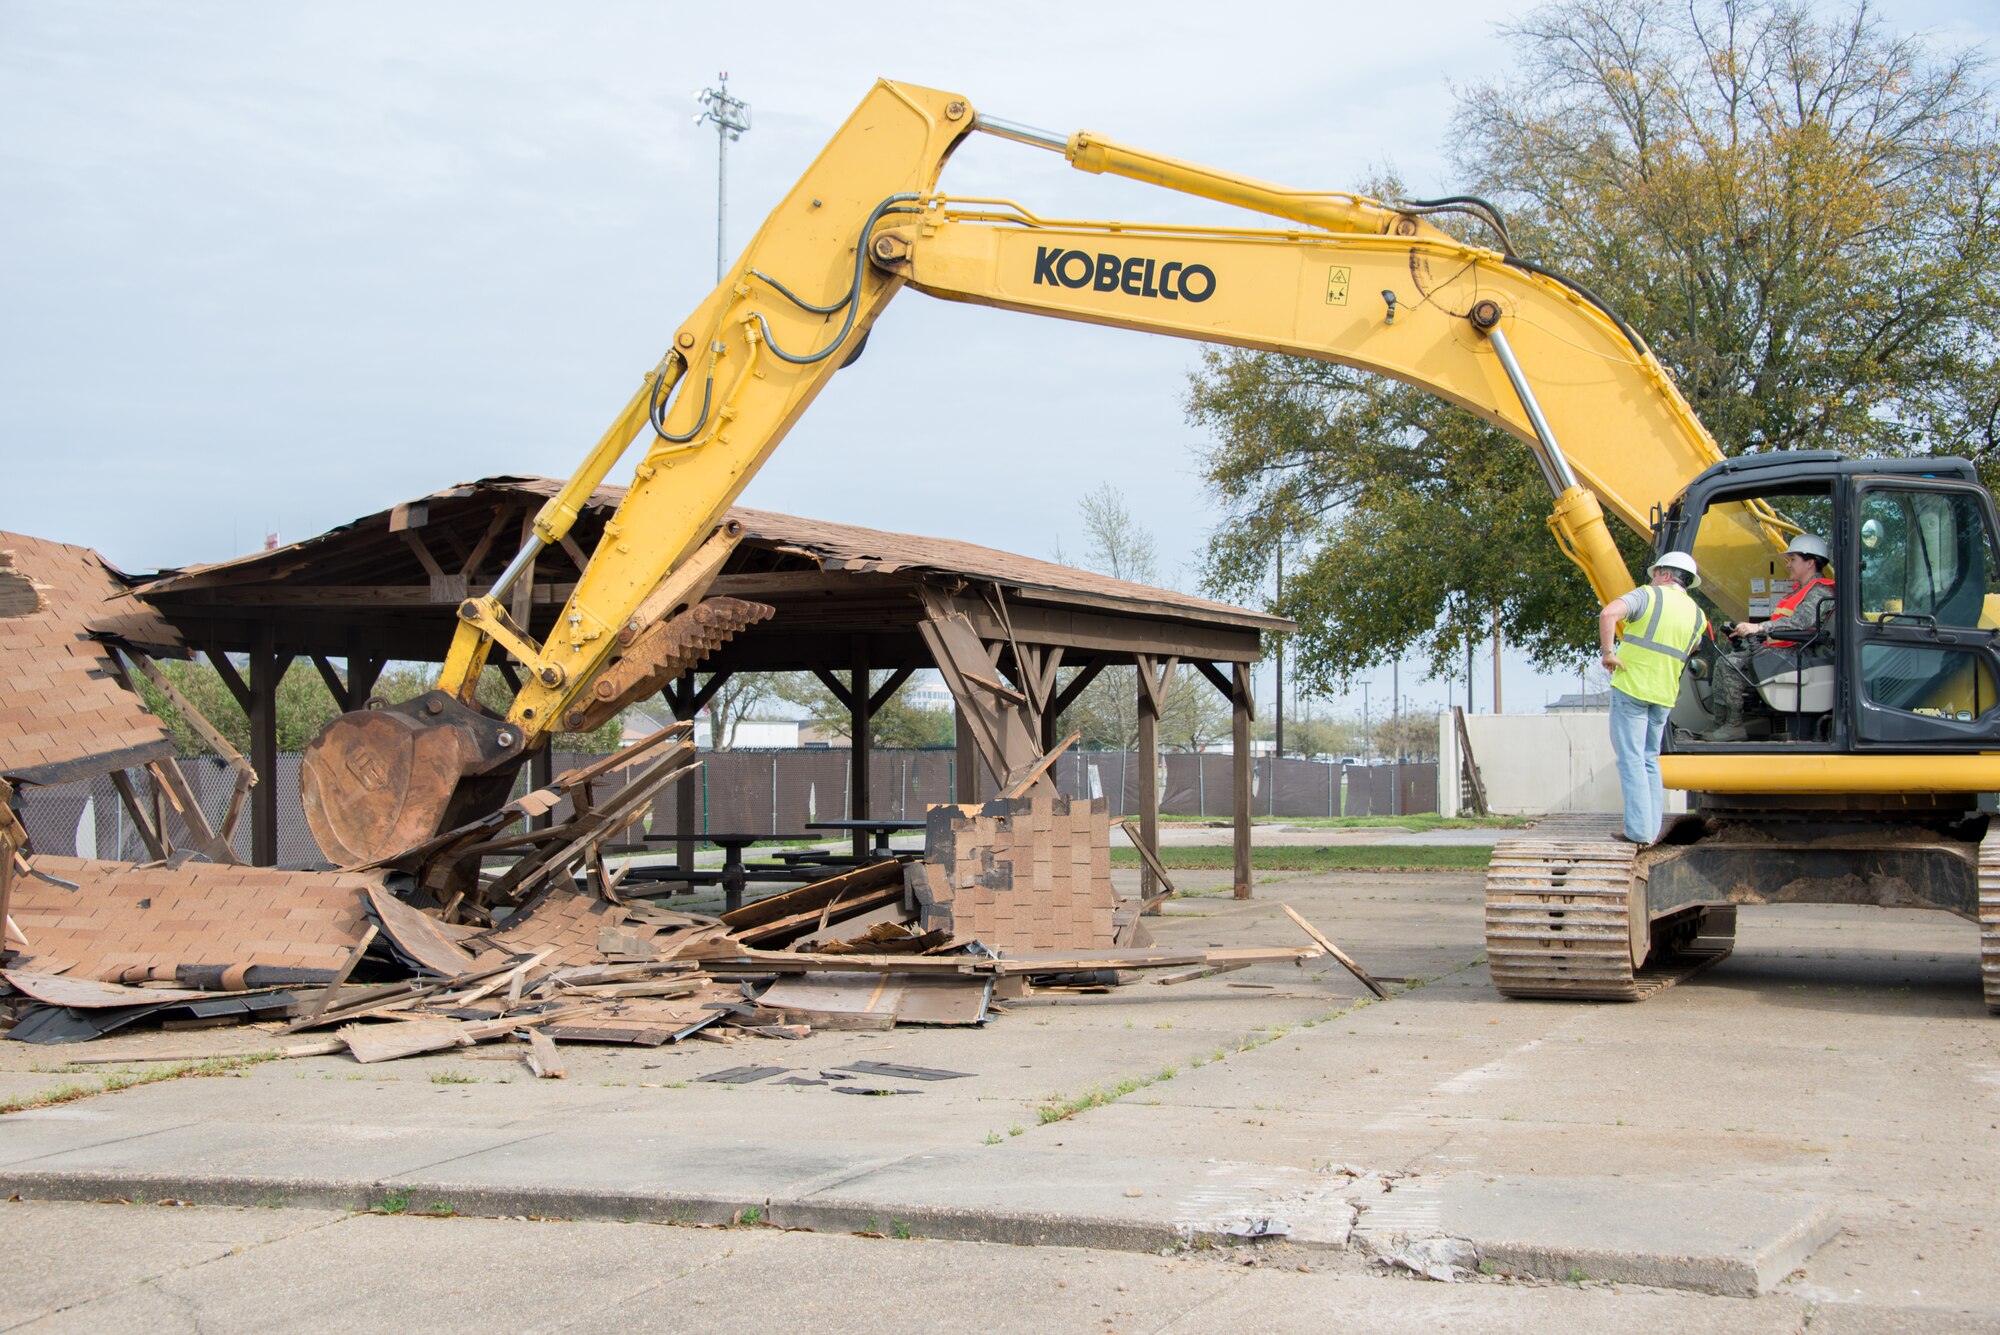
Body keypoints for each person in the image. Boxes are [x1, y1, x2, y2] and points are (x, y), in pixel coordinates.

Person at [1599, 551, 1708, 845]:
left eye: (1657, 573)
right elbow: (1694, 646)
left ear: (1667, 575)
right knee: (1649, 759)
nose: (1653, 579)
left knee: (1631, 759)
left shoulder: (1649, 596)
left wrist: (1609, 653)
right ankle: (1650, 828)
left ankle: (1638, 831)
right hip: (1664, 694)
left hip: (1633, 687)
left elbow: (1608, 613)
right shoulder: (1697, 615)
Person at [1713, 533, 1835, 741]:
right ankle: (1721, 724)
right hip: (1784, 650)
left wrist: (1759, 628)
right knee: (1723, 662)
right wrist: (1748, 632)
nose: (1788, 565)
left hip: (1798, 654)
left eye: (1793, 559)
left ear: (1810, 562)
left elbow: (1799, 623)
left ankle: (1733, 725)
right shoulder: (1799, 591)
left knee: (1731, 664)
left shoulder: (1819, 591)